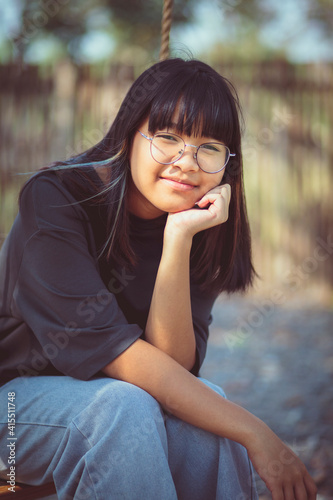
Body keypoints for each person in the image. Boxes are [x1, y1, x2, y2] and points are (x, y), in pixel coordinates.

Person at [0, 58, 316, 500]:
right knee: (124, 407)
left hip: (107, 404)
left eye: (209, 147)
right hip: (11, 415)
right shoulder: (56, 200)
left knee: (202, 410)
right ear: (130, 134)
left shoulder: (200, 221)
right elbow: (121, 360)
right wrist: (254, 431)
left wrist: (178, 239)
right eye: (167, 137)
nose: (187, 162)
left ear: (228, 162)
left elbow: (176, 368)